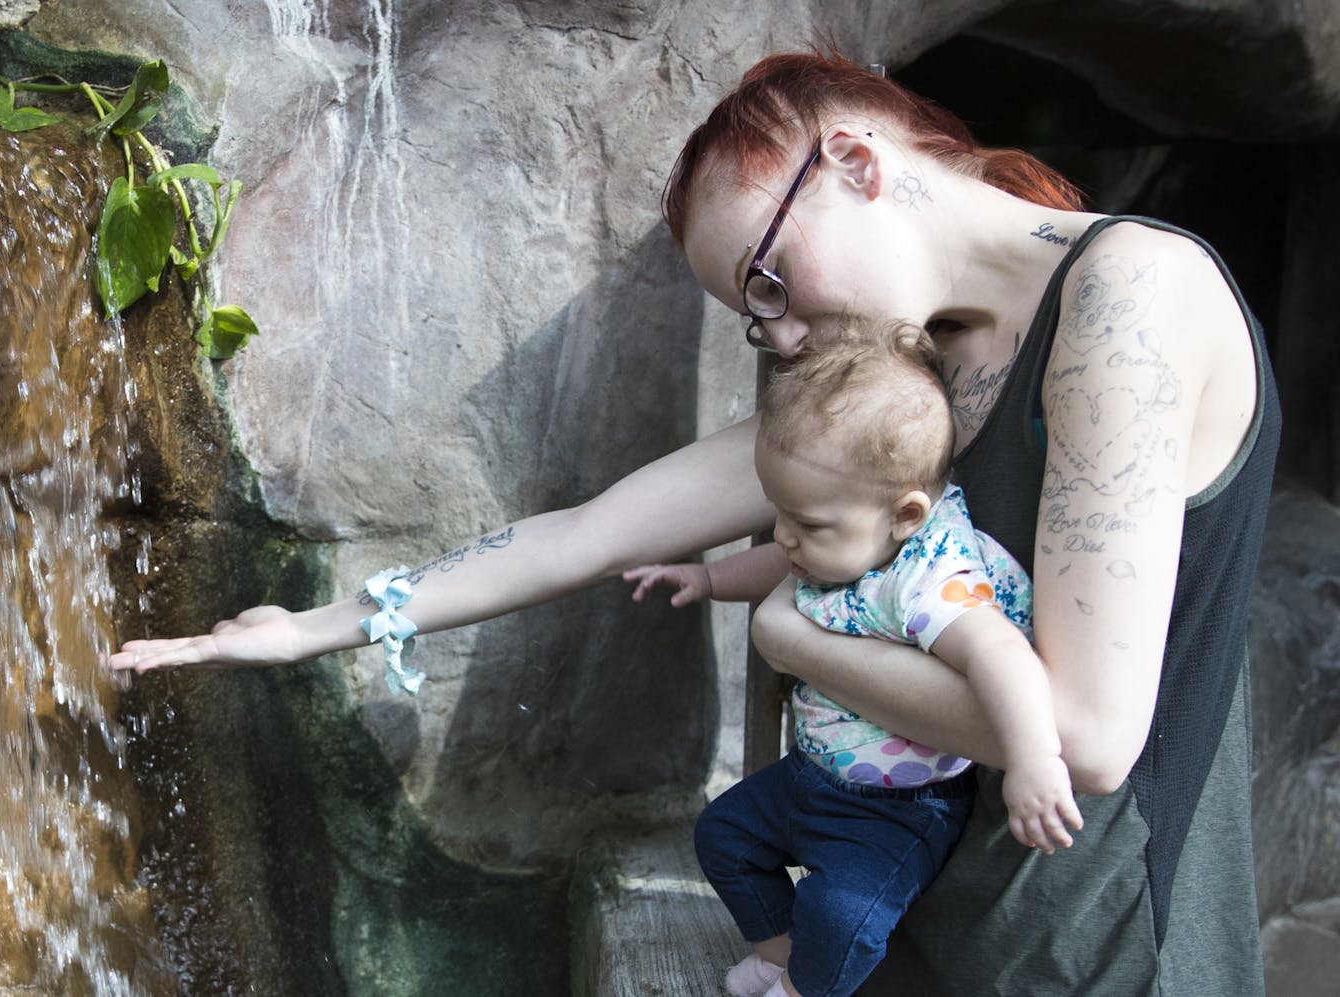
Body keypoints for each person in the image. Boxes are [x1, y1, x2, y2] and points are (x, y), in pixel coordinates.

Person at [109, 49, 1278, 995]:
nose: (774, 338)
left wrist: (797, 643)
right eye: (747, 317)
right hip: (908, 934)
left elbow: (1081, 739)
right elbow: (591, 530)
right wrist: (311, 628)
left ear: (857, 165)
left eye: (766, 284)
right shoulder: (913, 367)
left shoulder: (1131, 293)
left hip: (1103, 960)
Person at [623, 327, 1082, 997]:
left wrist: (1035, 759)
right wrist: (711, 579)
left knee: (842, 914)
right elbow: (780, 560)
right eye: (780, 512)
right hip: (811, 775)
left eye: (805, 524)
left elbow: (1002, 654)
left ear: (905, 513)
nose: (784, 536)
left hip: (896, 811)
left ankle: (807, 987)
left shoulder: (931, 579)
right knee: (723, 836)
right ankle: (787, 958)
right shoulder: (848, 535)